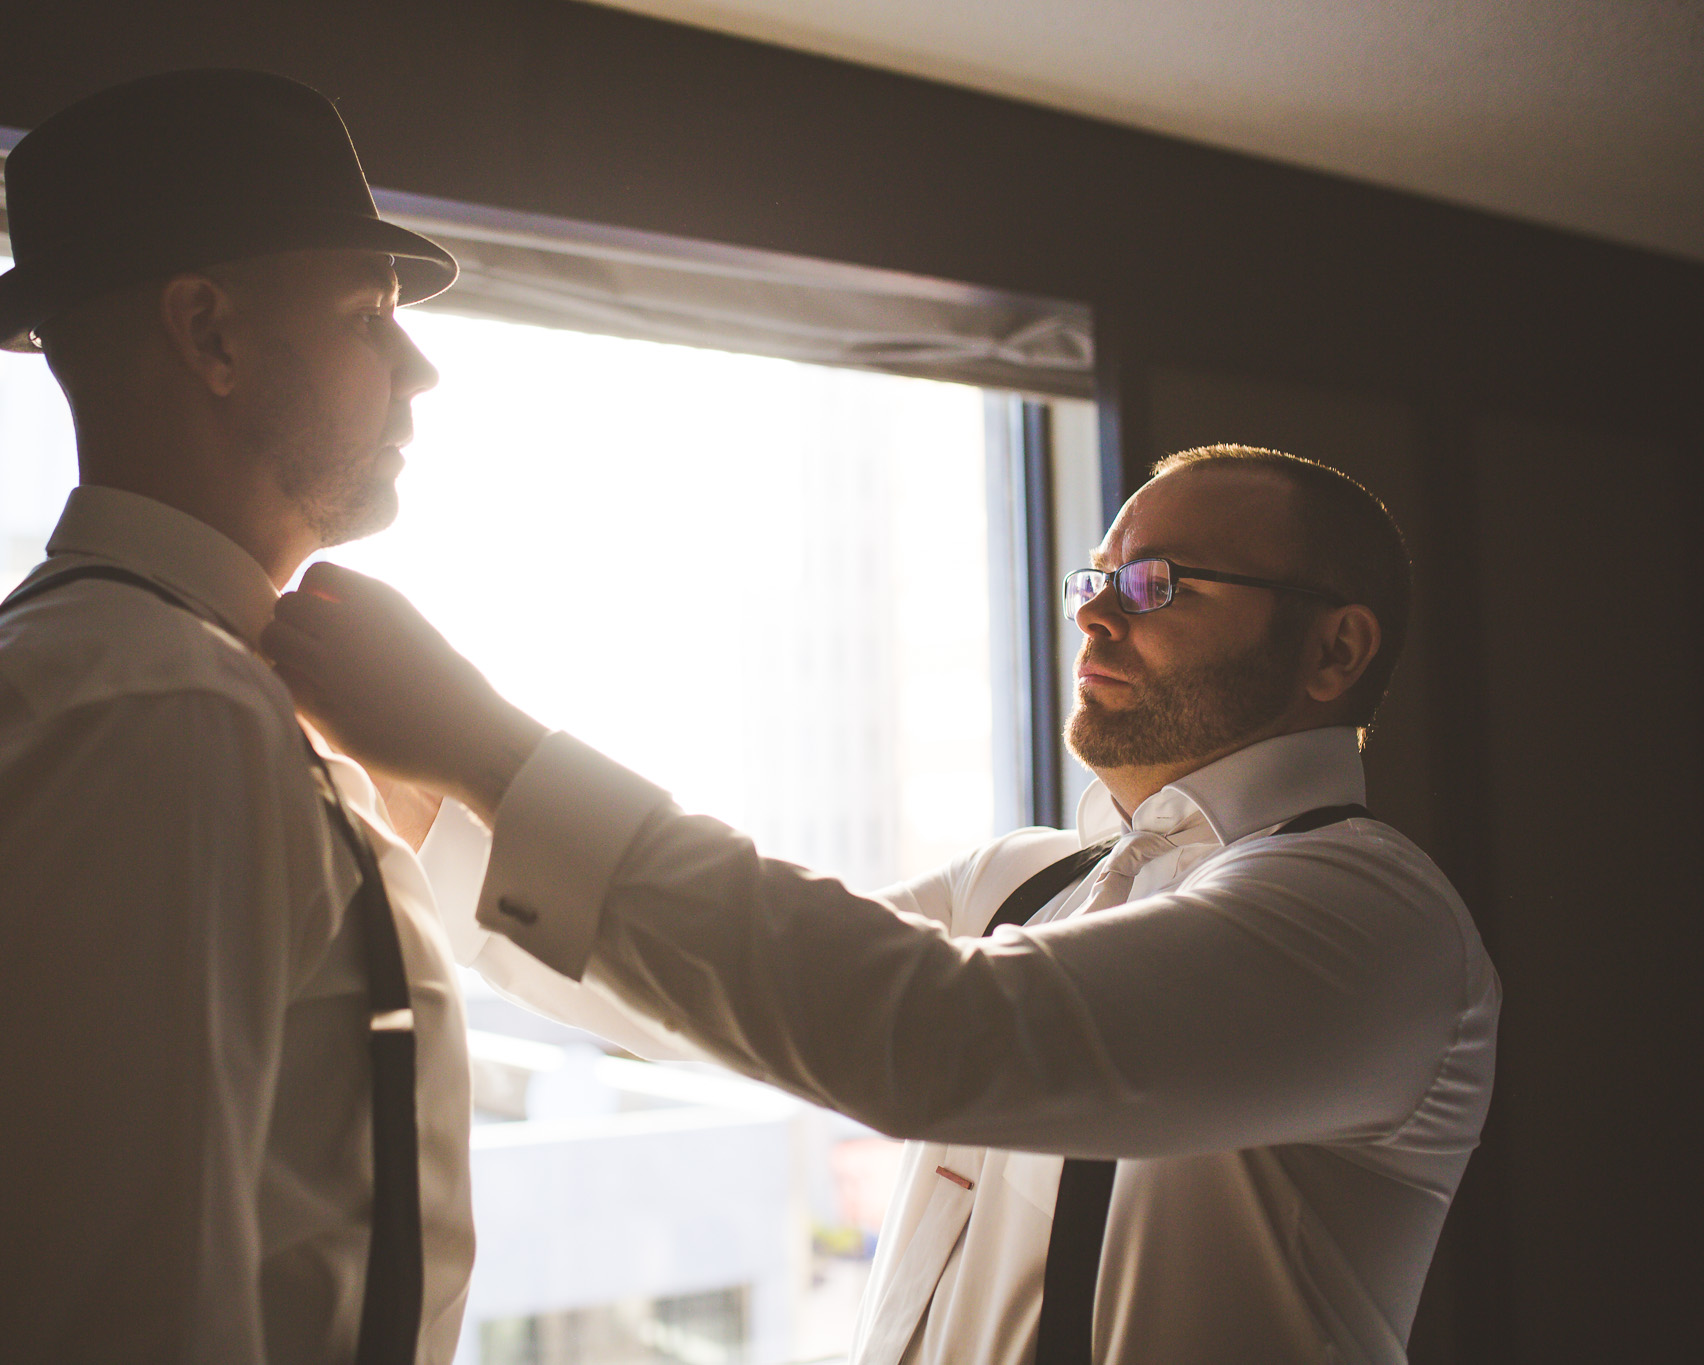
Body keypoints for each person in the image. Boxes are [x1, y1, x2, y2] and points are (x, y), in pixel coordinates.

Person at [265, 445, 1501, 1364]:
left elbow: (929, 1038)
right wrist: (428, 802)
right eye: (1095, 575)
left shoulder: (1371, 920)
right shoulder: (1020, 882)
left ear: (1332, 653)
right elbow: (726, 1000)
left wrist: (485, 744)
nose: (1088, 610)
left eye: (1158, 585)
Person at [0, 70, 476, 1364]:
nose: (420, 369)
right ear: (211, 337)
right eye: (368, 312)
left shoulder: (137, 679)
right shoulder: (154, 709)